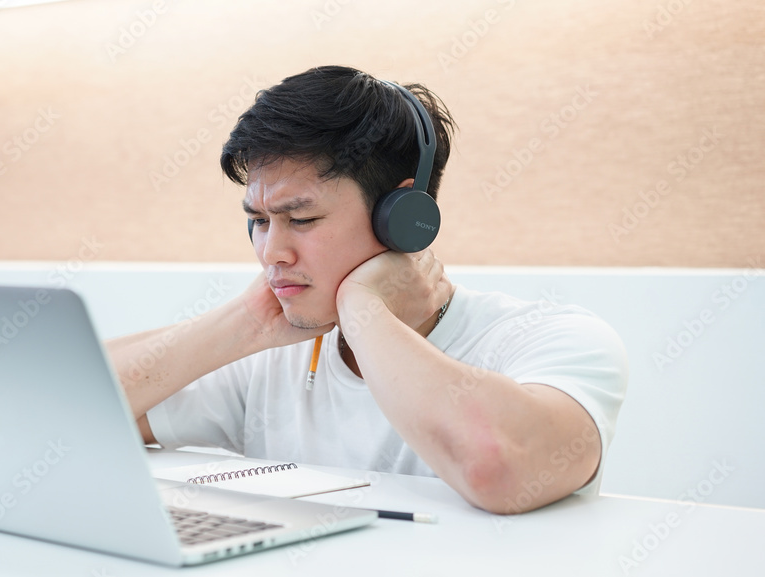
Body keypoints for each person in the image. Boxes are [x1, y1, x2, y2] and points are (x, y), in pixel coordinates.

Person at [108, 65, 628, 515]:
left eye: (301, 218)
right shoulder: (273, 352)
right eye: (260, 221)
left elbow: (496, 469)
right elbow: (77, 407)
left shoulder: (552, 338)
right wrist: (247, 321)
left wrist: (366, 312)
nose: (271, 253)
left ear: (402, 218)